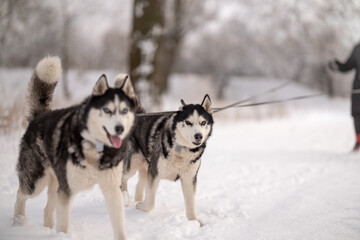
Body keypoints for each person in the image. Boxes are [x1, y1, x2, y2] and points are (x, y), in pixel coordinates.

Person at [329, 42, 360, 152]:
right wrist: (337, 66)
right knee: (357, 115)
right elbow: (348, 66)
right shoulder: (358, 48)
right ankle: (359, 142)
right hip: (358, 90)